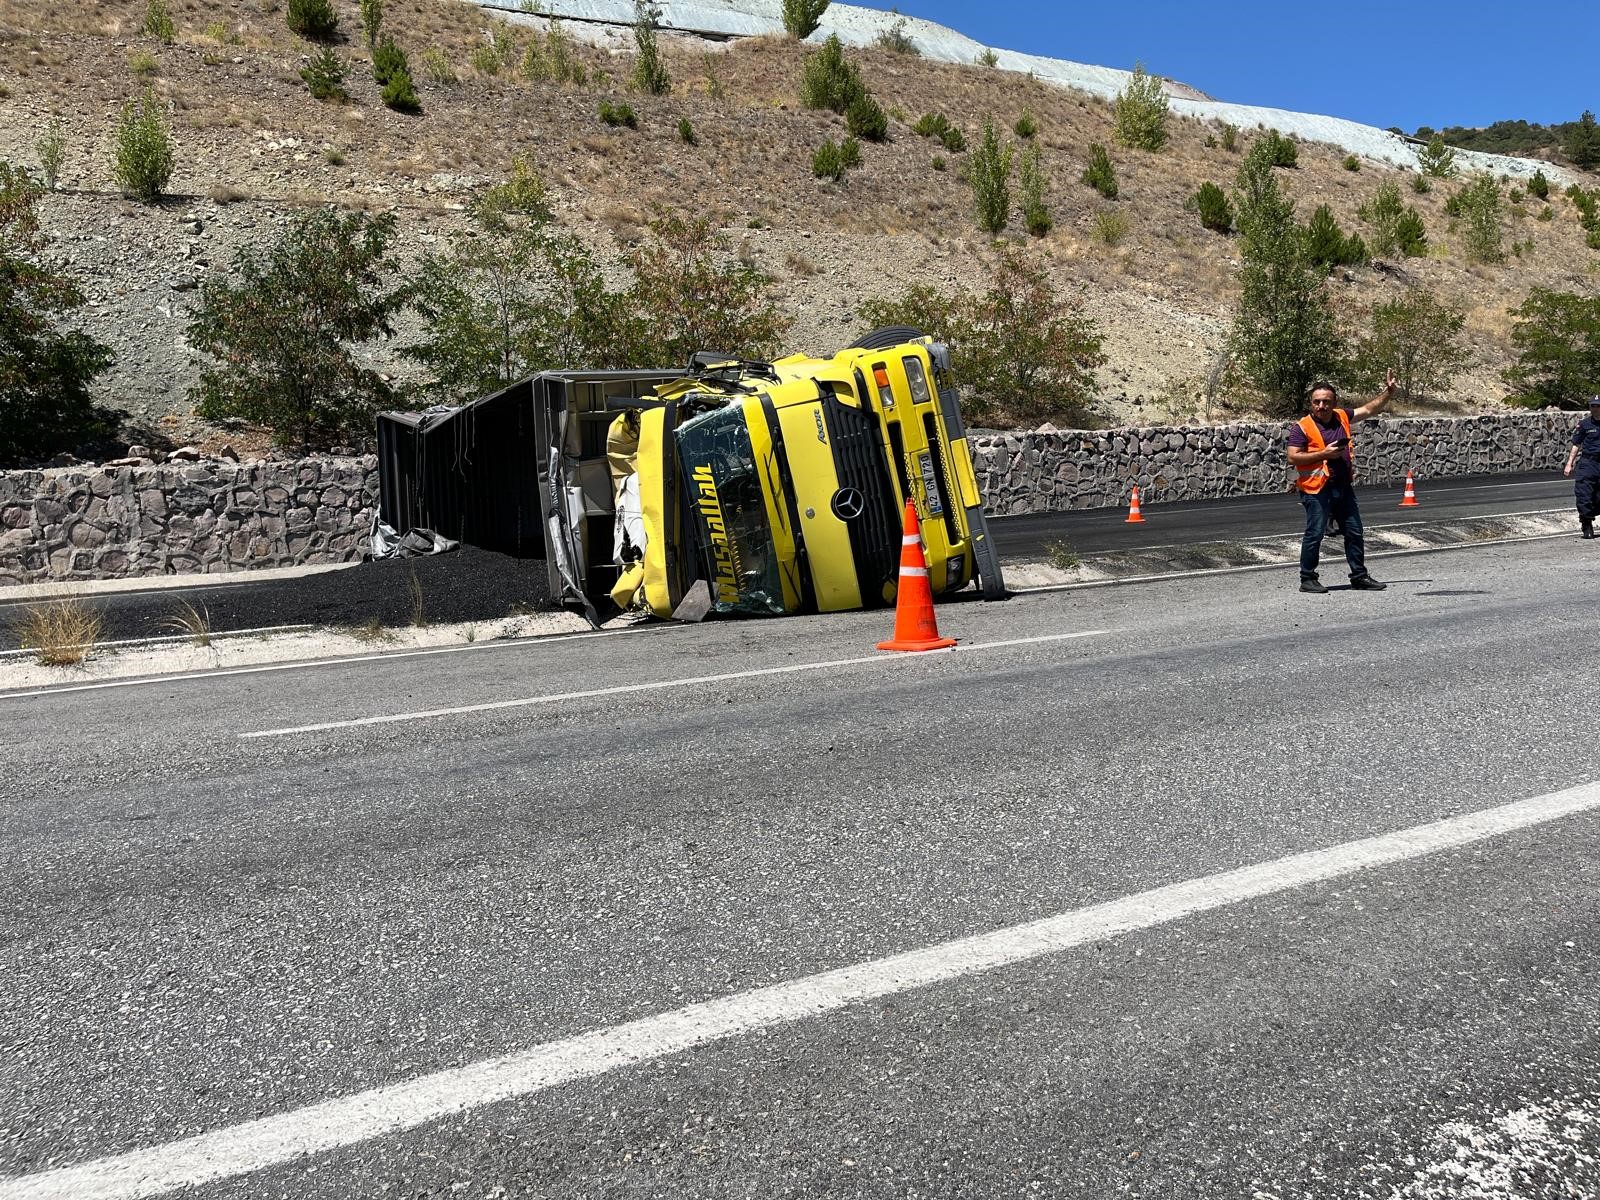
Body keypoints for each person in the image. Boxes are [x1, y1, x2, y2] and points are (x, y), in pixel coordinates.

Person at [1286, 370, 1398, 593]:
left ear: (1334, 403)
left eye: (1326, 402)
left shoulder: (1342, 416)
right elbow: (1292, 456)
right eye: (1317, 402)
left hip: (1343, 487)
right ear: (1311, 404)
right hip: (1316, 490)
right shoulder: (1302, 427)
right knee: (1315, 533)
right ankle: (1307, 578)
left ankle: (1359, 576)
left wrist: (1388, 392)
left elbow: (1368, 409)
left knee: (1354, 531)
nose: (1321, 406)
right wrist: (1324, 454)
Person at [1562, 395, 1600, 539]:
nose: (1595, 409)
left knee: (1598, 496)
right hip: (1588, 463)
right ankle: (1586, 524)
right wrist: (1569, 463)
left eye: (1598, 406)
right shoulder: (1584, 425)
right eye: (1592, 406)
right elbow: (1576, 444)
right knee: (1584, 494)